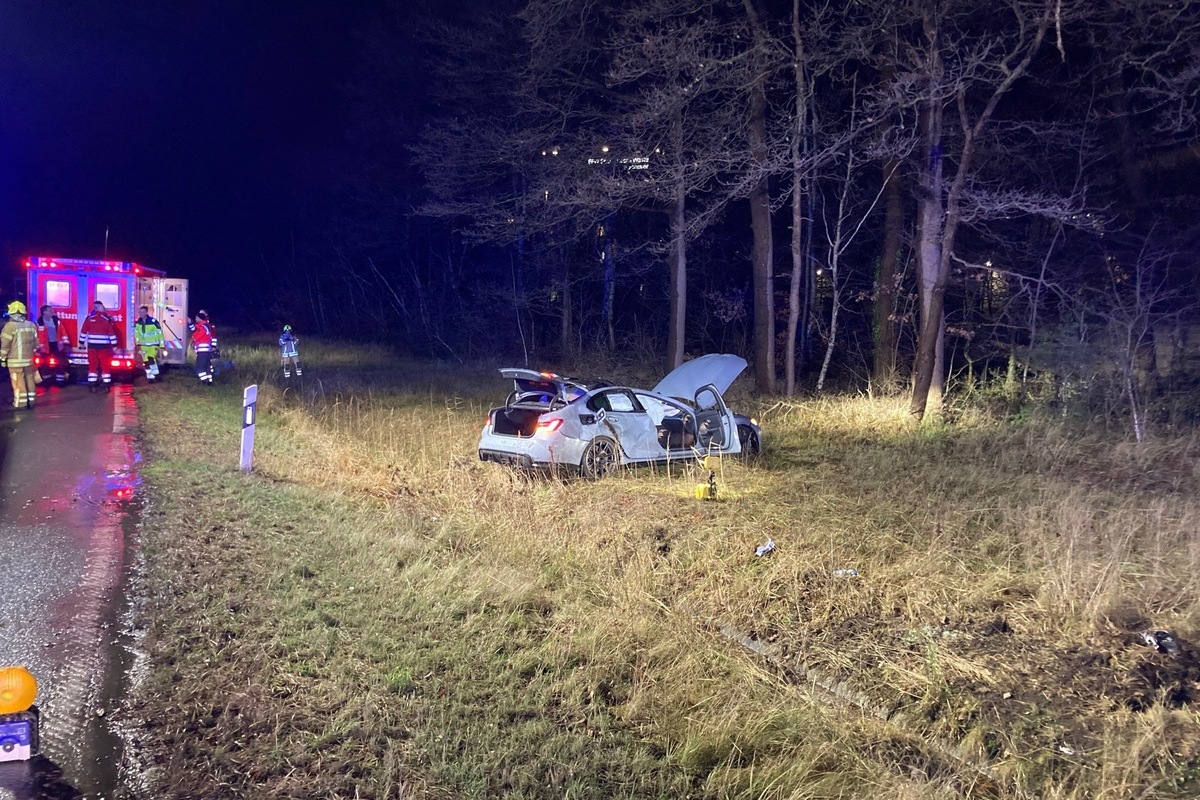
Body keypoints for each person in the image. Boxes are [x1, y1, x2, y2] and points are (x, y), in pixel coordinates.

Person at [0, 301, 41, 408]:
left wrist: (3, 358)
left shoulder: (10, 326)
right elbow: (36, 343)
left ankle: (20, 403)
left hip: (15, 361)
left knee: (18, 382)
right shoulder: (31, 325)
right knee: (30, 379)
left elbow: (5, 345)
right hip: (28, 360)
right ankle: (31, 401)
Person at [79, 300, 119, 392]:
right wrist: (114, 345)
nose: (104, 308)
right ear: (100, 308)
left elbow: (83, 331)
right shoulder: (106, 319)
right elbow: (111, 334)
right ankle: (106, 384)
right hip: (104, 346)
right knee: (105, 364)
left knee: (93, 364)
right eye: (102, 307)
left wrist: (81, 342)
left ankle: (92, 384)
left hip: (92, 346)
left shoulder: (89, 318)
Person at [35, 305, 71, 384]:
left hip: (56, 345)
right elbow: (36, 336)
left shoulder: (56, 320)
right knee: (44, 364)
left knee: (60, 362)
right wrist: (37, 348)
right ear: (44, 312)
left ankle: (60, 380)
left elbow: (63, 332)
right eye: (50, 310)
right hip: (45, 347)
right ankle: (46, 381)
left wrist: (65, 344)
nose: (52, 311)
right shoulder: (39, 323)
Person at [134, 305, 165, 382]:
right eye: (140, 312)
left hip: (153, 344)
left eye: (143, 312)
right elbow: (136, 333)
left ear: (146, 312)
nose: (141, 313)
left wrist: (162, 345)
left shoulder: (153, 321)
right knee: (146, 362)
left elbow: (159, 333)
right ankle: (150, 377)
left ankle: (156, 373)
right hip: (143, 345)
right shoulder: (138, 322)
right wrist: (138, 343)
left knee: (151, 358)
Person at [187, 310, 216, 384]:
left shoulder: (203, 327)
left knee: (200, 368)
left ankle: (205, 381)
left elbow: (196, 336)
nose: (195, 319)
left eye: (196, 318)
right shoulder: (204, 325)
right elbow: (194, 328)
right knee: (207, 366)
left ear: (200, 319)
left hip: (203, 351)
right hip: (206, 351)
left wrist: (193, 337)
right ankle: (209, 380)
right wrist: (190, 322)